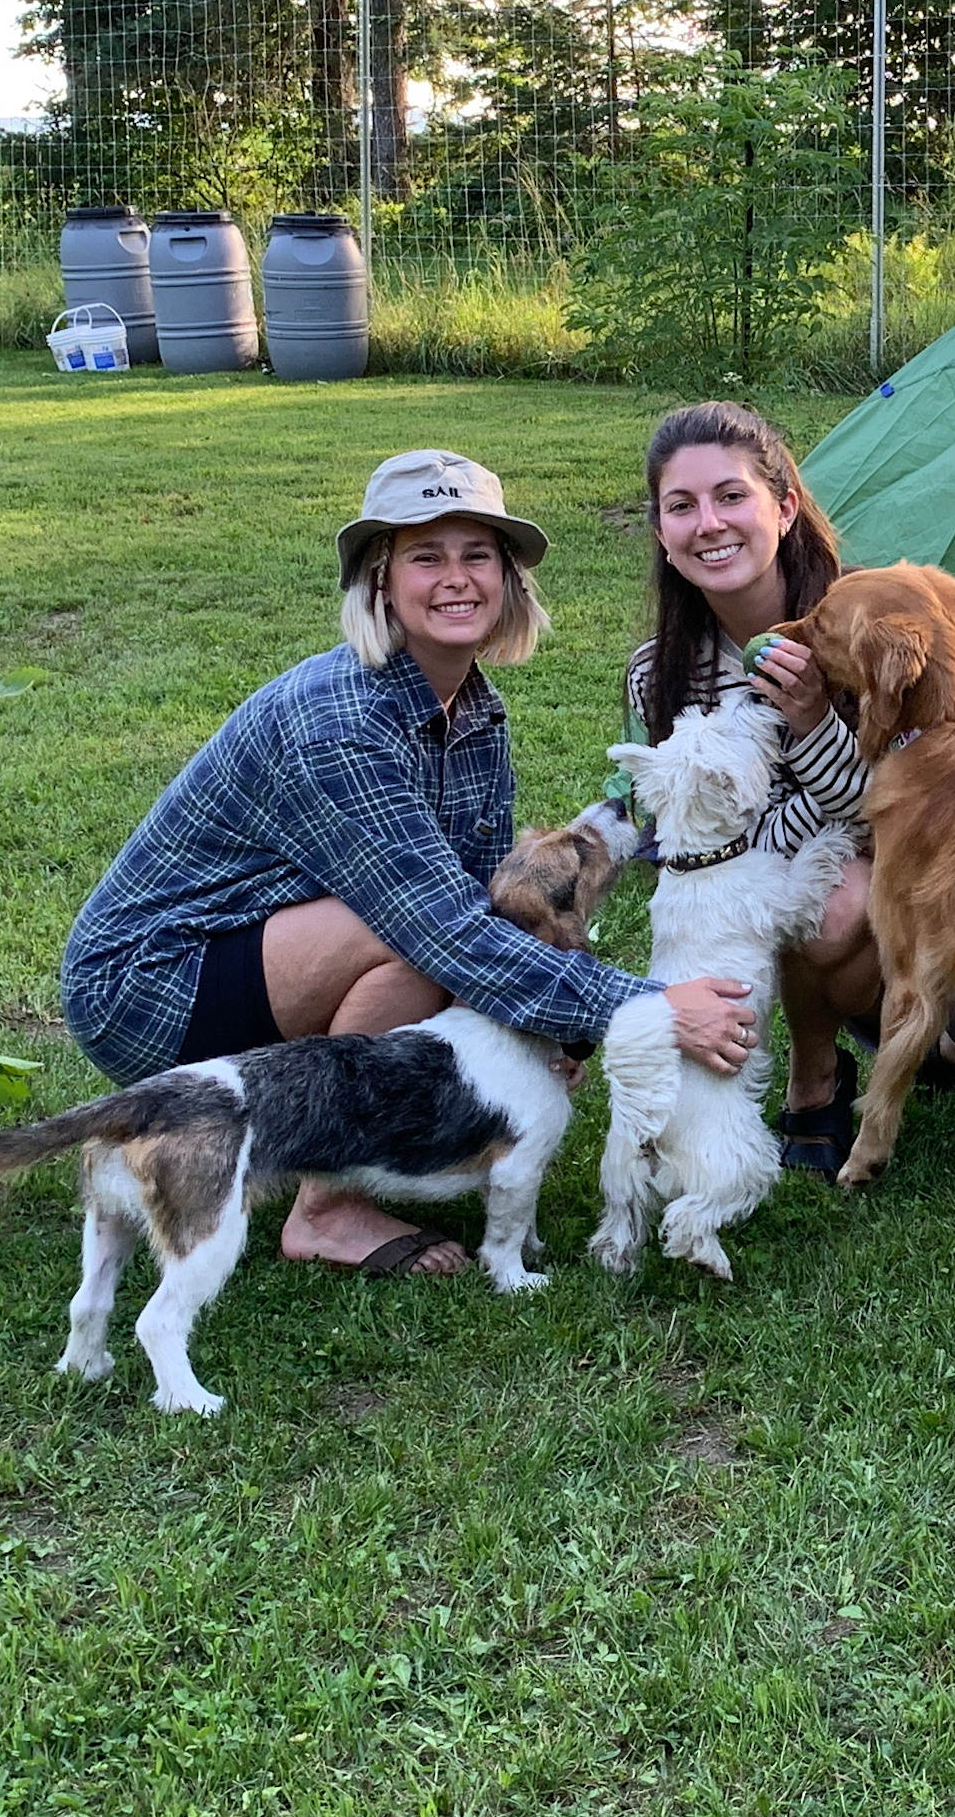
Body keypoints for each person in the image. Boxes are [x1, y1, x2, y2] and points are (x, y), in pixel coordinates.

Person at [63, 450, 757, 1275]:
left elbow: (490, 904)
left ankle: (342, 1152)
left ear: (508, 581)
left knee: (437, 920)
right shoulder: (340, 719)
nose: (456, 579)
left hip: (263, 954)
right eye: (425, 557)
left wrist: (546, 1028)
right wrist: (651, 1008)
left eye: (477, 557)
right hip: (148, 986)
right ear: (381, 582)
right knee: (408, 933)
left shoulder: (473, 706)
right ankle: (327, 1207)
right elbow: (448, 933)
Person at [625, 401, 955, 1192]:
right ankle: (816, 1078)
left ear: (785, 506)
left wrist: (809, 729)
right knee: (824, 890)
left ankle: (953, 1043)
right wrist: (811, 793)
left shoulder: (872, 620)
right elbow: (694, 847)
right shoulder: (658, 674)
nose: (709, 524)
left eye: (732, 496)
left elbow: (914, 810)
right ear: (663, 534)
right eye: (682, 506)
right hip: (860, 925)